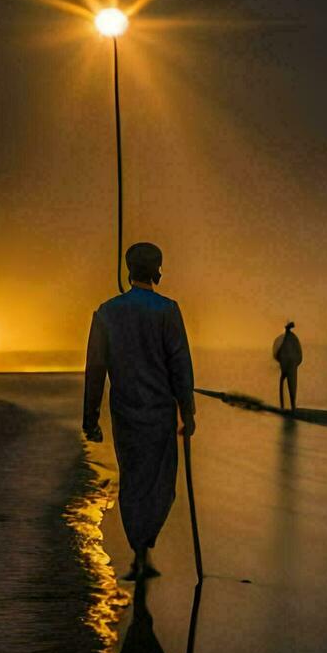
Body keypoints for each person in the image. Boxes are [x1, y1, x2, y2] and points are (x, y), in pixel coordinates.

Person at [84, 242, 196, 581]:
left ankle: (138, 547)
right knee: (161, 483)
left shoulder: (106, 312)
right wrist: (187, 411)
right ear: (158, 270)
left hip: (125, 413)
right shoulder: (167, 310)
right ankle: (144, 544)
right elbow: (180, 365)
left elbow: (95, 368)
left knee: (132, 481)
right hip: (160, 414)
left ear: (128, 271)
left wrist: (90, 419)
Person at [273, 321, 303, 412]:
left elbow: (277, 353)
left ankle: (289, 407)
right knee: (290, 385)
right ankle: (287, 406)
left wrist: (294, 362)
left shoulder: (290, 339)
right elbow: (278, 353)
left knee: (290, 385)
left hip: (290, 365)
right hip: (289, 365)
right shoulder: (289, 339)